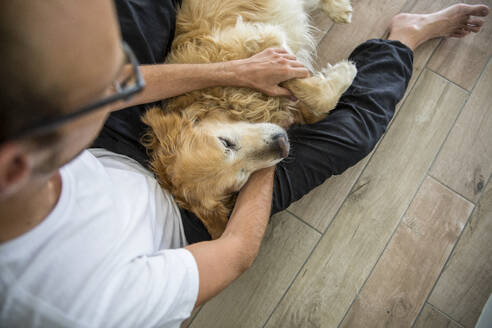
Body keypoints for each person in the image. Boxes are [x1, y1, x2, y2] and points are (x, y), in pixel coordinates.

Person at [0, 0, 489, 327]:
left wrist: (236, 72)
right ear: (17, 165)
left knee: (127, 12)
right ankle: (404, 38)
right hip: (189, 217)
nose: (114, 85)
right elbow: (236, 253)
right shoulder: (87, 305)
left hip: (109, 144)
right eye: (93, 92)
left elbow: (106, 91)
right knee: (351, 135)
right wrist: (272, 139)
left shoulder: (40, 134)